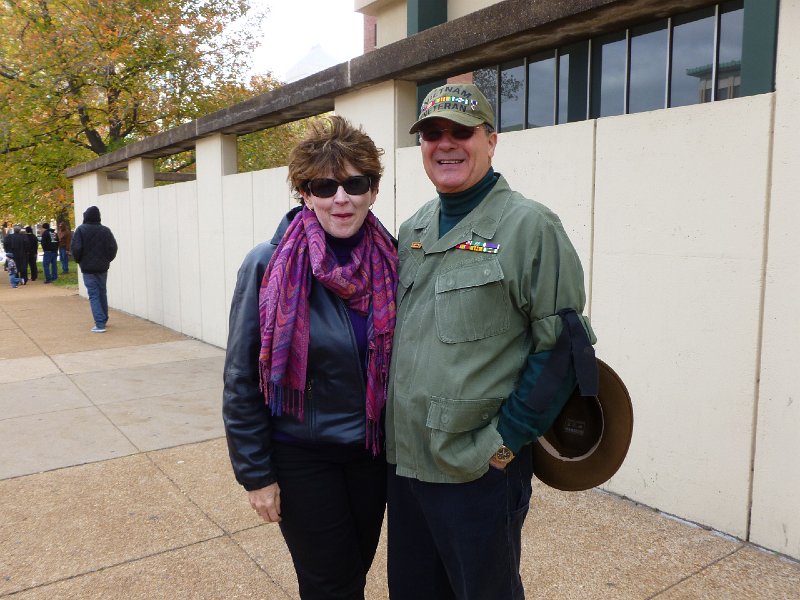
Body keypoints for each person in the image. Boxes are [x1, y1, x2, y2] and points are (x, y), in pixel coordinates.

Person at [385, 83, 597, 600]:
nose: (447, 143)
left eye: (462, 131)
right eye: (433, 133)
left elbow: (564, 351)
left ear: (491, 140)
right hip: (406, 465)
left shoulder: (531, 227)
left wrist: (501, 446)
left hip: (475, 472)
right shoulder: (413, 229)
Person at [223, 115, 397, 600]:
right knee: (329, 585)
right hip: (302, 455)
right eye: (325, 185)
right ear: (305, 192)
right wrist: (255, 474)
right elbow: (240, 376)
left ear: (373, 190)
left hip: (372, 454)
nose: (340, 198)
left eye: (354, 183)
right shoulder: (268, 262)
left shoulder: (396, 260)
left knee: (354, 573)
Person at [71, 206, 117, 333]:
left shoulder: (80, 230)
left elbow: (76, 248)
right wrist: (107, 259)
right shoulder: (105, 230)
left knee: (94, 294)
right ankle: (104, 318)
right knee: (102, 292)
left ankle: (100, 323)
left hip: (87, 268)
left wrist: (79, 260)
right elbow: (113, 248)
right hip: (102, 267)